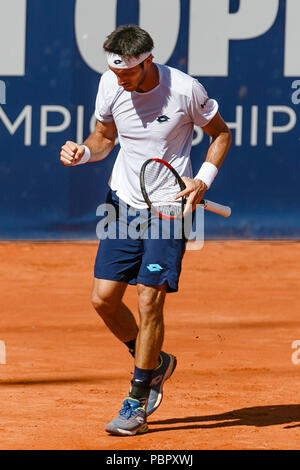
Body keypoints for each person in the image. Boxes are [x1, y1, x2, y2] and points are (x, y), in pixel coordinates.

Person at [60, 24, 231, 436]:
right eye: (115, 72)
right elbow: (103, 137)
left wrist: (202, 179)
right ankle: (156, 362)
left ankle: (137, 397)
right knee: (103, 300)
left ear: (147, 62)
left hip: (170, 208)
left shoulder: (184, 89)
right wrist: (84, 153)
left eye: (128, 73)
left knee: (149, 301)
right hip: (123, 202)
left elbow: (220, 134)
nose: (121, 79)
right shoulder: (109, 84)